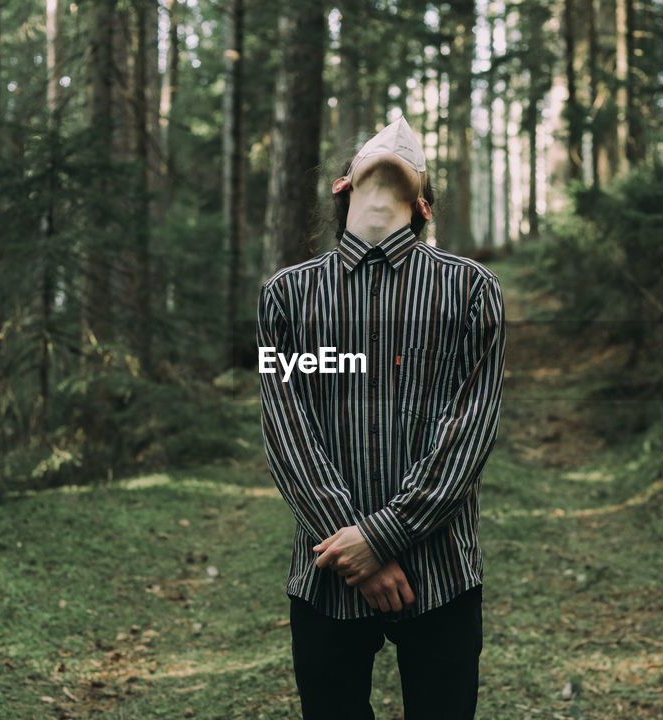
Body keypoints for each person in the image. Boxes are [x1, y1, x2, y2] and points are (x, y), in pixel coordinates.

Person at [256, 116, 506, 719]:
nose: (398, 131)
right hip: (325, 581)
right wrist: (355, 551)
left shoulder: (473, 290)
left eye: (409, 149)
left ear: (422, 204)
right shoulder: (284, 297)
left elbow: (469, 429)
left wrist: (382, 537)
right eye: (376, 145)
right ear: (342, 186)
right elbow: (285, 432)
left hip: (442, 573)